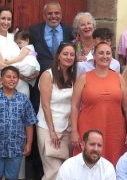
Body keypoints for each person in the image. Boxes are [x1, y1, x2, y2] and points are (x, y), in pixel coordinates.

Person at [71, 42, 127, 165]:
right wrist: (74, 131)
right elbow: (74, 106)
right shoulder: (84, 78)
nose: (105, 56)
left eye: (108, 53)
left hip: (114, 130)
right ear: (94, 56)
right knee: (87, 163)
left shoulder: (119, 78)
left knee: (114, 162)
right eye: (101, 53)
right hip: (88, 128)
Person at [0, 66, 38, 180]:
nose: (12, 79)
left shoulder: (24, 99)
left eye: (15, 77)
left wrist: (28, 144)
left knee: (12, 177)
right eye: (8, 76)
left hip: (16, 147)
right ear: (1, 80)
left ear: (18, 80)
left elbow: (29, 123)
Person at [37, 43, 76, 180]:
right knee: (53, 171)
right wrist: (52, 131)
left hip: (66, 129)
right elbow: (45, 105)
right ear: (58, 56)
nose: (69, 57)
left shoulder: (73, 76)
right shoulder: (48, 75)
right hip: (47, 128)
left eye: (72, 54)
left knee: (65, 170)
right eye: (65, 54)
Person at [0, 7, 36, 97]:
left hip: (22, 86)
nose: (6, 22)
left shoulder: (15, 37)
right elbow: (1, 65)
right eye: (3, 18)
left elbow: (29, 54)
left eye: (9, 19)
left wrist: (34, 71)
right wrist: (22, 75)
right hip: (2, 85)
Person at [29, 2, 75, 72]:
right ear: (44, 16)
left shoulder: (70, 31)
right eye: (49, 13)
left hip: (65, 73)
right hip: (41, 73)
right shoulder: (34, 31)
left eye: (56, 13)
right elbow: (30, 51)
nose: (53, 16)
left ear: (61, 15)